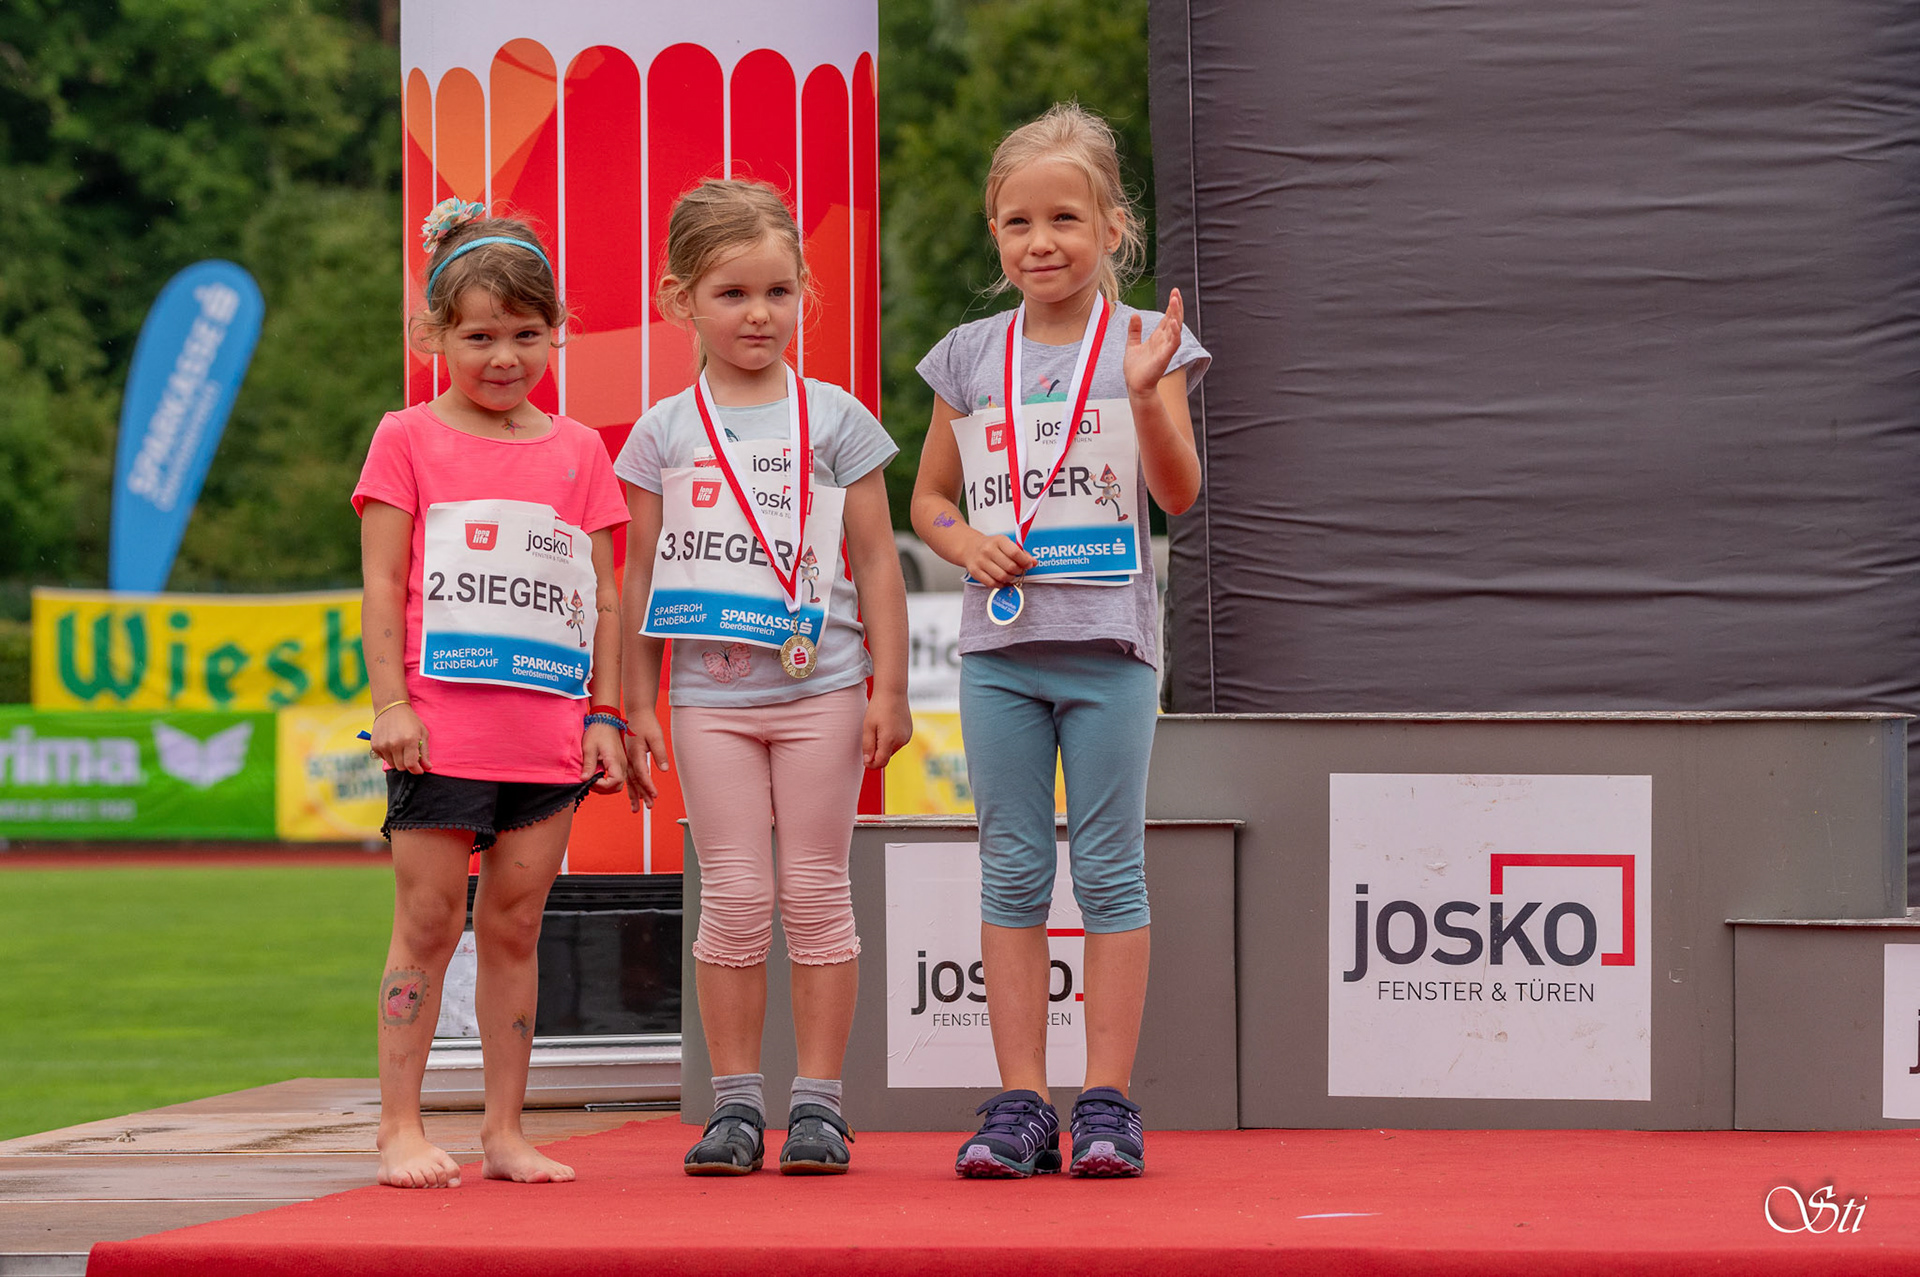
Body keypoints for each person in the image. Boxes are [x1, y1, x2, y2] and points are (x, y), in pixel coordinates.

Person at [910, 103, 1210, 1178]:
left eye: (1066, 219)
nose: (1042, 242)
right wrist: (967, 543)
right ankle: (1021, 1103)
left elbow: (1178, 493)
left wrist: (1147, 397)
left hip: (1110, 652)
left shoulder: (1145, 343)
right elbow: (929, 501)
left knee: (1112, 871)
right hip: (1000, 655)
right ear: (994, 232)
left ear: (1113, 226)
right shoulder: (967, 354)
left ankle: (1108, 1102)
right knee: (1013, 871)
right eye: (1018, 222)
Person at [616, 179, 912, 1176]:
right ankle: (735, 1105)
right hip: (710, 700)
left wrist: (888, 687)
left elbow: (878, 561)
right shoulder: (663, 430)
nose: (759, 313)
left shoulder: (835, 418)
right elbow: (638, 575)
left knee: (817, 891)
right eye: (733, 293)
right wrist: (635, 702)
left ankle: (819, 1104)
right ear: (681, 299)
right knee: (737, 895)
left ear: (803, 296)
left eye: (779, 292)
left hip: (824, 688)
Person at [355, 200, 630, 1188]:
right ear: (434, 335)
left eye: (525, 333)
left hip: (547, 737)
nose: (504, 356)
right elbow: (381, 581)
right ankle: (399, 1126)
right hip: (438, 733)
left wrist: (605, 714)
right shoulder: (406, 438)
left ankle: (505, 1131)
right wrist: (392, 704)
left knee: (515, 927)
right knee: (429, 924)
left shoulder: (580, 450)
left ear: (558, 331)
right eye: (478, 336)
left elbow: (603, 595)